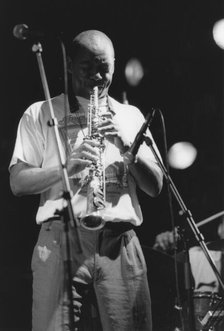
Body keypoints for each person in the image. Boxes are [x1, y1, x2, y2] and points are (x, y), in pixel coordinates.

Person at [9, 30, 163, 331]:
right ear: (69, 64)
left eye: (103, 66)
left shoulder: (130, 116)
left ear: (115, 64)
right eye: (87, 66)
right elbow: (17, 183)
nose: (96, 75)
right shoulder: (40, 112)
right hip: (60, 238)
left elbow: (155, 186)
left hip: (120, 241)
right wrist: (66, 168)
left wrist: (125, 147)